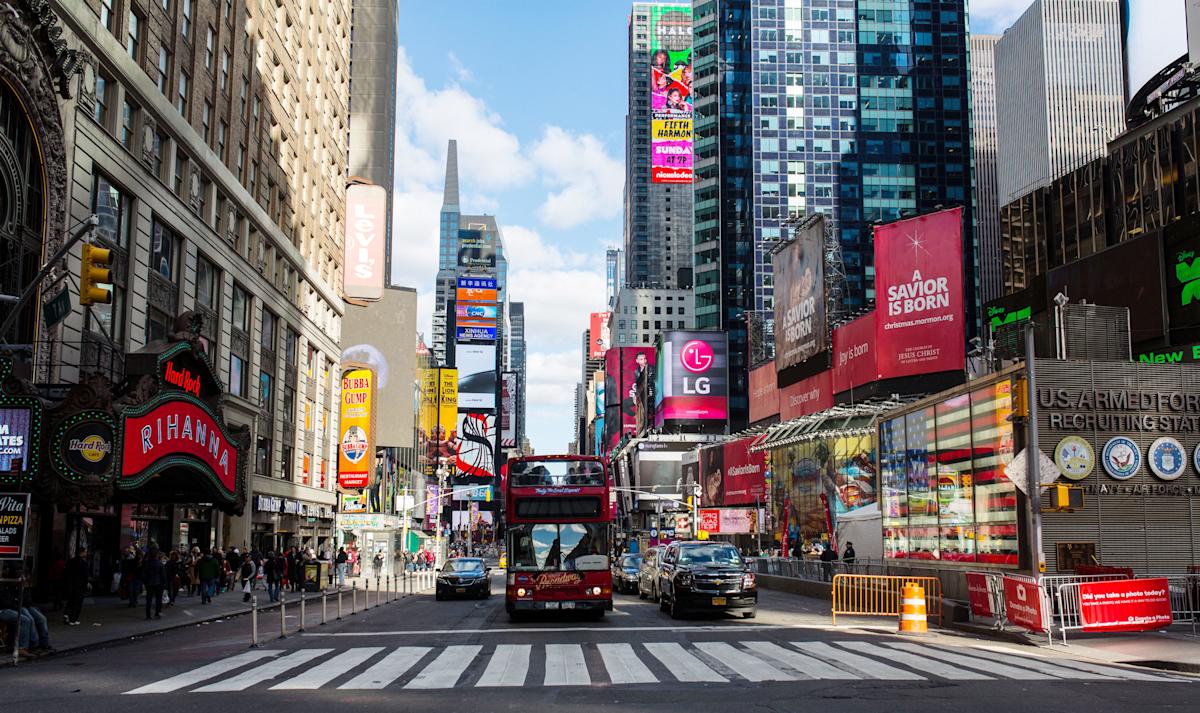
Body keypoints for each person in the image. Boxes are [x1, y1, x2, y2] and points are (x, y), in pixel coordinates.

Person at [64, 547, 89, 625]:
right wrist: (86, 583)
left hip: (71, 584)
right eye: (85, 552)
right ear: (82, 552)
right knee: (77, 603)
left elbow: (66, 572)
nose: (86, 553)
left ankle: (67, 614)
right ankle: (73, 619)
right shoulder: (84, 563)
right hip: (80, 586)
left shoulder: (70, 561)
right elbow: (86, 575)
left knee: (71, 601)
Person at [142, 547, 166, 620]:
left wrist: (145, 582)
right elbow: (163, 575)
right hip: (158, 584)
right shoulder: (160, 564)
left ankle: (148, 615)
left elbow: (144, 574)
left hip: (149, 583)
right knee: (158, 599)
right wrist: (164, 583)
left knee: (149, 599)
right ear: (156, 555)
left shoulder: (147, 563)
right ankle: (157, 613)